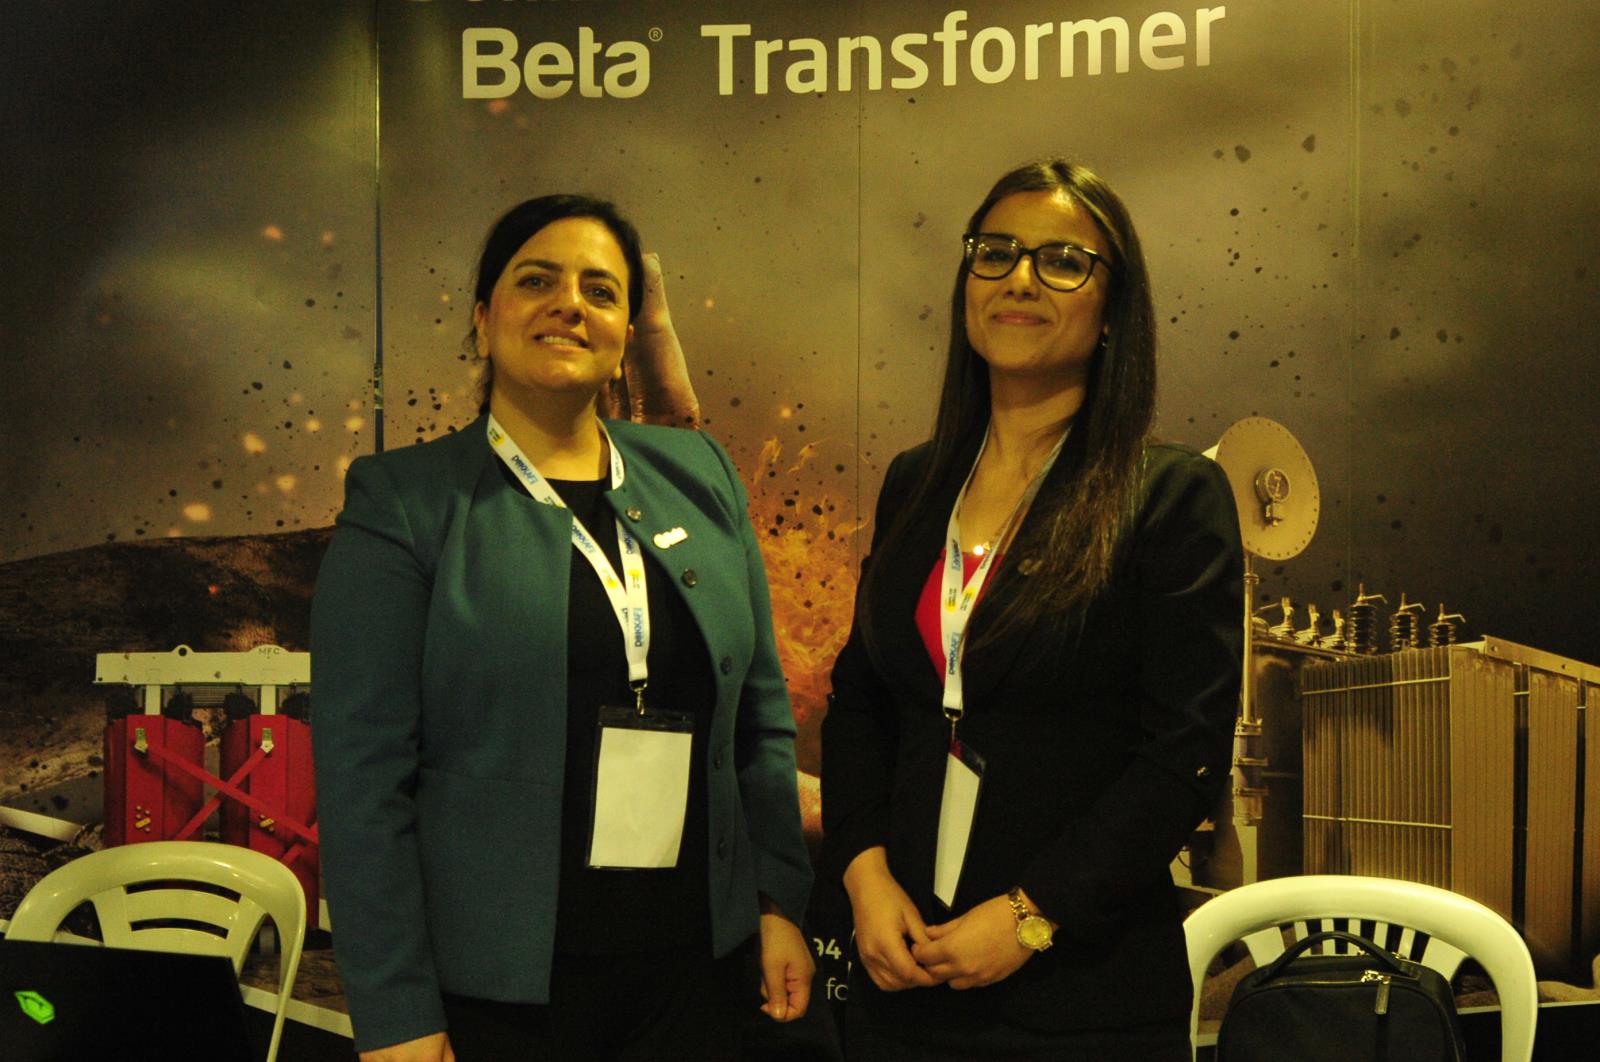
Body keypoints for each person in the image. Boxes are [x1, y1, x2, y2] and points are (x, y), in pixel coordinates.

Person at [312, 194, 814, 1062]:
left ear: (626, 334)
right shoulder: (405, 503)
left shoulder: (700, 475)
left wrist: (776, 901)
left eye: (599, 290)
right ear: (483, 319)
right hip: (500, 999)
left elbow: (760, 720)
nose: (569, 305)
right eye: (537, 281)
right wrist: (396, 1013)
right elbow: (363, 782)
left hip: (700, 974)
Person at [820, 159, 1243, 1060]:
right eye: (997, 252)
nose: (1019, 278)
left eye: (1062, 261)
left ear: (1112, 310)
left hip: (1078, 995)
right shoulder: (915, 482)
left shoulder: (1169, 496)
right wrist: (863, 875)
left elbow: (1184, 753)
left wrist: (1030, 916)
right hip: (901, 978)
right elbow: (861, 699)